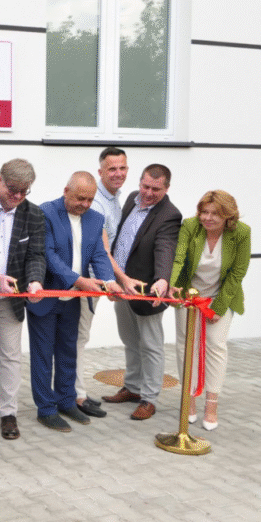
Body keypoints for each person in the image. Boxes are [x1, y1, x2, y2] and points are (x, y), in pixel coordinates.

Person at [26, 172, 120, 432]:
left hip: (74, 300)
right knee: (43, 357)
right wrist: (78, 280)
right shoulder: (45, 212)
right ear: (66, 191)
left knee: (68, 352)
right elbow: (48, 254)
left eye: (89, 199)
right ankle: (46, 409)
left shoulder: (95, 219)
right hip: (46, 297)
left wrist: (109, 281)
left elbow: (99, 255)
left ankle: (67, 401)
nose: (85, 204)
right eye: (80, 198)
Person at [101, 164, 182, 420]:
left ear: (166, 188)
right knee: (130, 341)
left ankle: (149, 399)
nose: (148, 193)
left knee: (151, 346)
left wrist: (162, 280)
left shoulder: (169, 215)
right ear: (139, 182)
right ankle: (133, 387)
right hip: (123, 285)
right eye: (145, 186)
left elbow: (165, 248)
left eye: (155, 189)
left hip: (148, 292)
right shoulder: (131, 200)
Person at [0, 159, 46, 440]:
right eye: (12, 189)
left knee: (11, 357)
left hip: (10, 298)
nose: (16, 196)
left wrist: (35, 281)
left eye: (23, 191)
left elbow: (36, 255)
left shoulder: (34, 214)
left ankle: (8, 414)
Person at [168, 190, 251, 430]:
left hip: (220, 295)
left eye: (215, 213)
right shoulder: (190, 226)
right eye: (204, 212)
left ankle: (211, 405)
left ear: (228, 215)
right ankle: (189, 400)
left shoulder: (241, 233)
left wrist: (219, 307)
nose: (208, 218)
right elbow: (179, 258)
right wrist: (173, 285)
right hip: (189, 295)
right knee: (186, 346)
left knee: (215, 346)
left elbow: (238, 272)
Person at [73, 147, 130, 418]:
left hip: (97, 282)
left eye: (122, 168)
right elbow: (103, 251)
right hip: (87, 283)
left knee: (79, 338)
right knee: (78, 338)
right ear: (101, 171)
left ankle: (76, 392)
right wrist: (120, 280)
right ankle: (76, 395)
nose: (118, 173)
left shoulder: (114, 199)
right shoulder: (96, 202)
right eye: (112, 169)